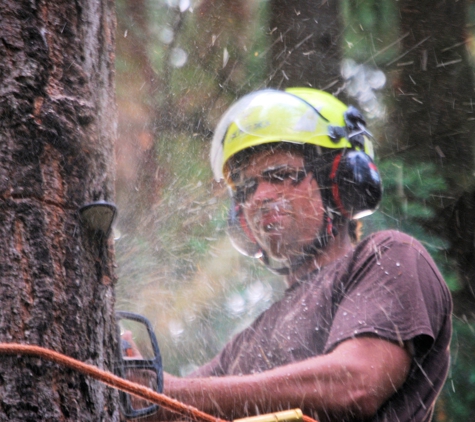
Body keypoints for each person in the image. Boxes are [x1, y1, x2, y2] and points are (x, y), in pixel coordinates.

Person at [159, 88, 452, 422]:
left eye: (281, 174)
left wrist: (171, 394)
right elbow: (161, 404)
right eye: (246, 187)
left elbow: (356, 385)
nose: (260, 197)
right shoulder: (243, 346)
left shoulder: (390, 257)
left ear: (344, 181)